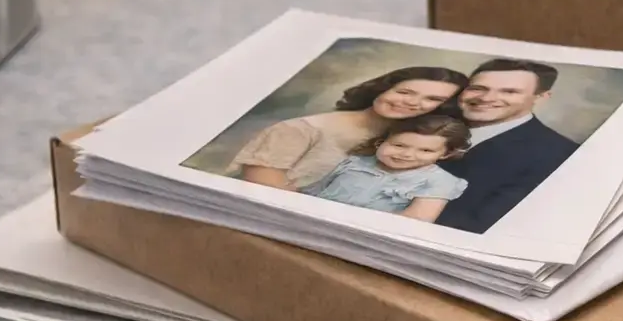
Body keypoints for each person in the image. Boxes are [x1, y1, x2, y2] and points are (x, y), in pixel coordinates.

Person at [231, 65, 468, 192]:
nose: (411, 102)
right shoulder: (301, 129)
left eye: (431, 99)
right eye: (404, 92)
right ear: (382, 89)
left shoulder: (416, 146)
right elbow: (262, 192)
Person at [433, 58, 579, 234]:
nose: (486, 98)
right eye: (477, 88)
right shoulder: (430, 122)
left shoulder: (561, 155)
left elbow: (484, 227)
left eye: (509, 92)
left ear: (540, 97)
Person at [299, 114, 470, 222]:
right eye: (399, 145)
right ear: (381, 142)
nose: (407, 154)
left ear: (445, 154)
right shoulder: (355, 162)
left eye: (426, 150)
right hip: (314, 219)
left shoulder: (440, 181)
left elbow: (416, 220)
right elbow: (314, 191)